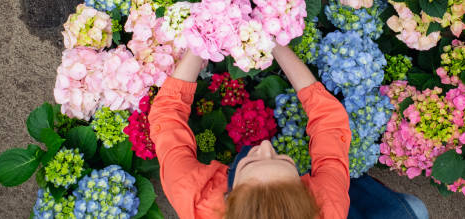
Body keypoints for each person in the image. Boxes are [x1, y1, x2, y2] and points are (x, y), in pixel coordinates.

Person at [149, 45, 351, 218]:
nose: (265, 145)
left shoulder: (195, 198)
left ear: (228, 198)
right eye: (284, 160)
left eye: (252, 161)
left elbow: (167, 117)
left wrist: (203, 40)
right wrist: (276, 42)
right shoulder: (328, 206)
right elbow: (329, 123)